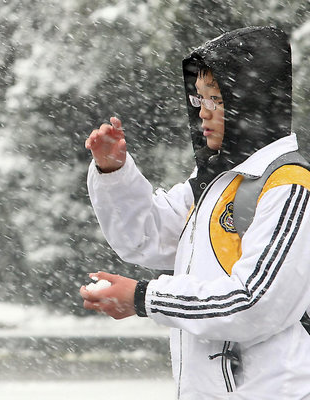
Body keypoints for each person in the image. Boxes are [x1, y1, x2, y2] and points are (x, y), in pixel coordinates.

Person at [80, 26, 310, 399]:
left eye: (216, 99)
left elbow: (255, 304)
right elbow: (145, 239)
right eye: (198, 98)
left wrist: (143, 298)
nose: (201, 112)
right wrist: (113, 172)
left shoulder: (290, 186)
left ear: (249, 103)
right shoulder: (213, 182)